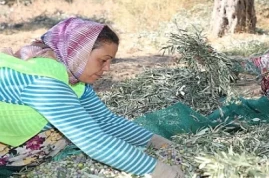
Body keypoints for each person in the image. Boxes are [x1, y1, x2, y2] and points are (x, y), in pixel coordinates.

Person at [0, 17, 184, 178]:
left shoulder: (72, 78)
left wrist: (156, 142)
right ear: (78, 52)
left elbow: (106, 121)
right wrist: (161, 172)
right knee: (69, 132)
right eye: (103, 60)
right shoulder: (45, 81)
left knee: (78, 123)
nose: (107, 69)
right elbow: (93, 140)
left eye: (111, 61)